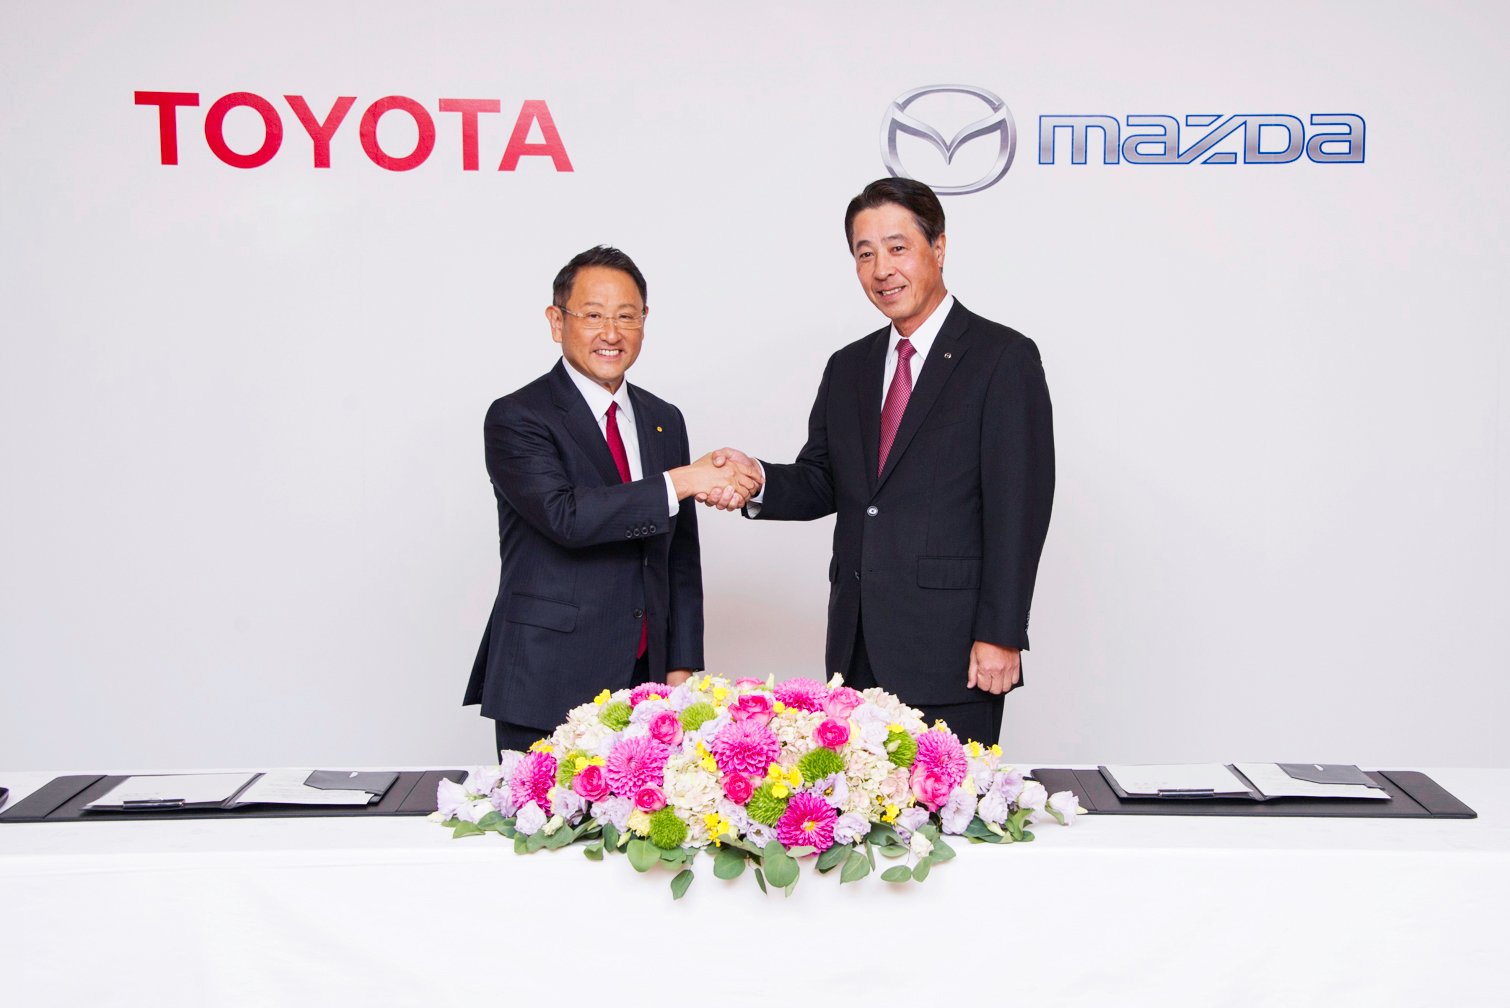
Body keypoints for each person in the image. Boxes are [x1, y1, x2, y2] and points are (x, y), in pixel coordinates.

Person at [706, 178, 1054, 745]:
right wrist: (755, 479)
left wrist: (1001, 633)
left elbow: (1020, 508)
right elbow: (824, 482)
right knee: (863, 822)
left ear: (937, 248)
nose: (881, 269)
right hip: (856, 644)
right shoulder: (850, 367)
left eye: (897, 248)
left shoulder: (1002, 358)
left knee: (951, 820)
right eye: (864, 254)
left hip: (953, 649)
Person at [465, 246, 761, 755]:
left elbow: (679, 558)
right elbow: (567, 517)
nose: (611, 332)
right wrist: (681, 481)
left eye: (627, 317)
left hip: (649, 686)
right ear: (557, 322)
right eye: (594, 315)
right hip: (548, 680)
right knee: (545, 832)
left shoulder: (663, 418)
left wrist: (682, 667)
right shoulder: (518, 416)